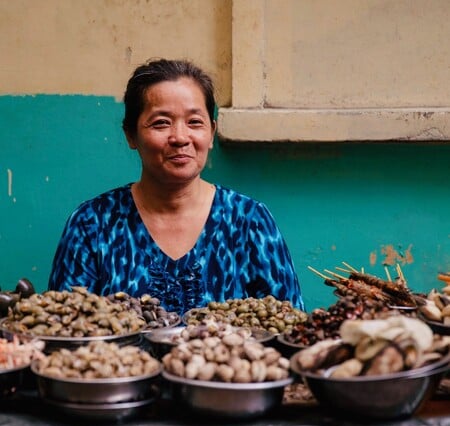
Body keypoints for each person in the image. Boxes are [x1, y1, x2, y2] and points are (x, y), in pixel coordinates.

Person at [48, 58, 304, 315]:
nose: (180, 138)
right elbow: (63, 333)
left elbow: (291, 328)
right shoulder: (92, 224)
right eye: (160, 123)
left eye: (194, 122)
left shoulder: (249, 222)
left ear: (211, 133)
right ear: (130, 135)